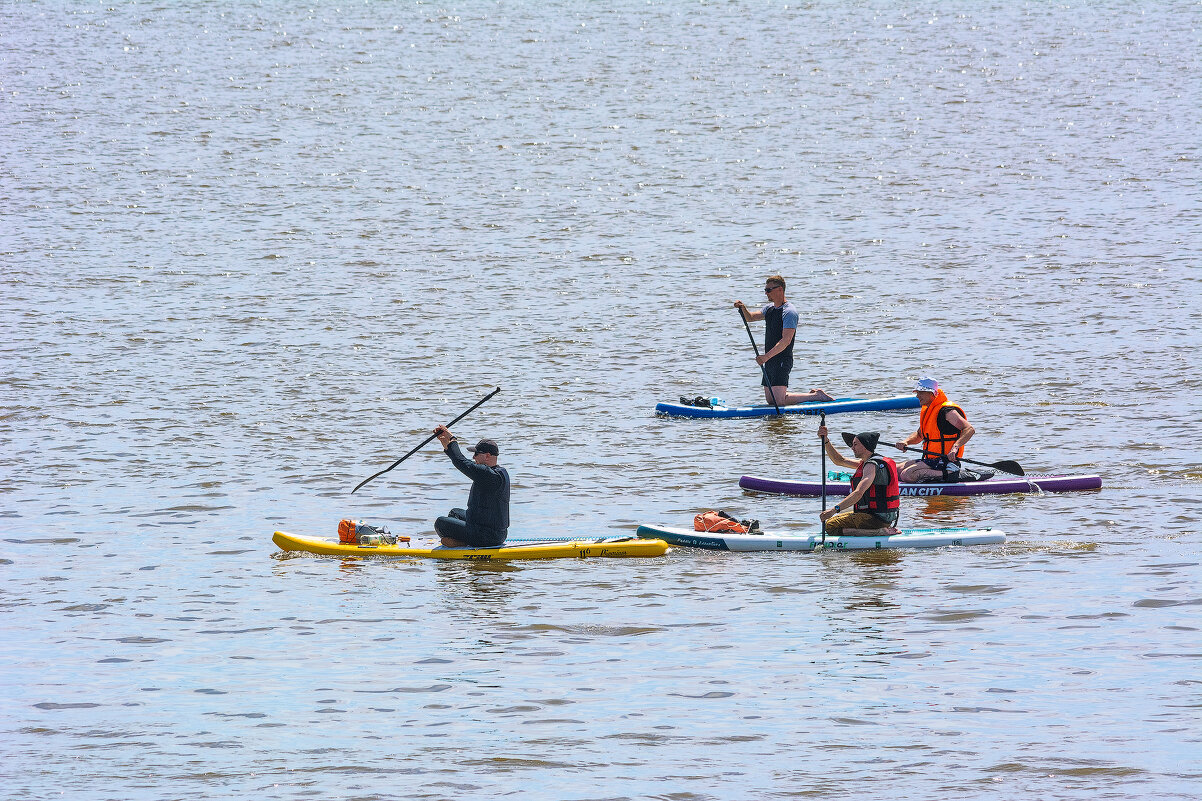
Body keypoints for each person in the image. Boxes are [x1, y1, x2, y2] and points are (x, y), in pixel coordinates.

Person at [734, 275, 833, 407]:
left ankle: (817, 396)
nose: (766, 293)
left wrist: (765, 357)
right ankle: (809, 395)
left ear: (780, 289)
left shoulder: (789, 312)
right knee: (771, 400)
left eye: (769, 290)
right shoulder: (769, 309)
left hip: (782, 358)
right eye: (765, 290)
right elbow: (750, 318)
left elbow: (786, 341)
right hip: (770, 359)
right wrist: (743, 308)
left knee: (779, 401)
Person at [895, 378, 992, 483]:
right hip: (931, 460)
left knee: (907, 475)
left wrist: (955, 447)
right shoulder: (928, 410)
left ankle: (951, 473)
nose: (917, 396)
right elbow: (919, 435)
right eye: (917, 392)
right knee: (896, 470)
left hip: (947, 461)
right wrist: (906, 442)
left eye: (921, 392)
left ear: (931, 393)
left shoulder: (947, 411)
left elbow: (969, 429)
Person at [432, 425, 510, 547]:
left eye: (476, 454)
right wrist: (445, 442)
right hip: (492, 530)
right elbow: (461, 461)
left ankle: (462, 542)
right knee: (454, 513)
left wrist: (452, 439)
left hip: (488, 537)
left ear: (487, 456)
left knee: (440, 523)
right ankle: (461, 541)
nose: (473, 457)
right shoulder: (498, 472)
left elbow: (461, 461)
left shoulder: (489, 475)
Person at [816, 426, 901, 536]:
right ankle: (877, 529)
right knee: (836, 519)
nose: (852, 448)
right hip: (883, 516)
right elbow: (839, 460)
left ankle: (878, 532)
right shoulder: (869, 462)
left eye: (855, 444)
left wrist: (833, 510)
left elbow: (858, 493)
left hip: (877, 518)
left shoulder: (871, 465)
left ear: (865, 446)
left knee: (830, 525)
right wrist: (825, 440)